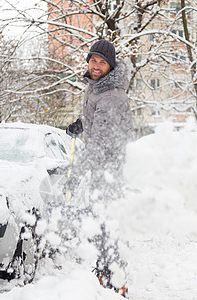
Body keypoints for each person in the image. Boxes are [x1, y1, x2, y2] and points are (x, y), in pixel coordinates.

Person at [66, 39, 133, 298]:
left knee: (106, 228)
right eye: (93, 60)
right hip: (102, 170)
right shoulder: (97, 89)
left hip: (109, 171)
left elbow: (100, 145)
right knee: (101, 227)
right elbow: (94, 118)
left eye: (102, 62)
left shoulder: (112, 96)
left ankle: (116, 285)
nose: (95, 65)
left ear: (110, 65)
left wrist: (76, 174)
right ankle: (104, 278)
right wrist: (81, 124)